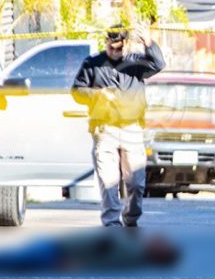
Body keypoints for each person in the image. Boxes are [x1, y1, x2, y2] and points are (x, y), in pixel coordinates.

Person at [71, 25, 166, 227]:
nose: (114, 51)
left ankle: (131, 217)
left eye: (118, 48)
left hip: (132, 129)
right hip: (104, 129)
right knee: (109, 181)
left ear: (126, 44)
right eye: (110, 47)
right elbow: (77, 91)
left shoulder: (136, 62)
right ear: (105, 43)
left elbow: (159, 64)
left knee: (136, 183)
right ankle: (112, 223)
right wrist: (97, 94)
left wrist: (149, 43)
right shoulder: (92, 63)